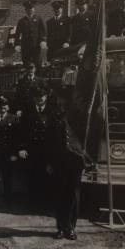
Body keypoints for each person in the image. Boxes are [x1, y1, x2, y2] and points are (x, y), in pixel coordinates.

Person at [46, 90, 87, 240]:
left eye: (62, 99)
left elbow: (87, 138)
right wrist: (49, 162)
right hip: (58, 160)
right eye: (58, 100)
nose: (60, 102)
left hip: (75, 160)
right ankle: (60, 227)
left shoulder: (79, 115)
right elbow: (48, 141)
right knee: (59, 194)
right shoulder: (53, 116)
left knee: (73, 195)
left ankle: (70, 227)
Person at [18, 83, 55, 207]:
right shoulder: (28, 110)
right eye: (38, 96)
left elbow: (55, 131)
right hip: (31, 148)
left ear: (46, 97)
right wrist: (21, 147)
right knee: (31, 175)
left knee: (46, 175)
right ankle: (32, 202)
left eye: (43, 96)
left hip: (47, 149)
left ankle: (44, 202)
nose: (40, 98)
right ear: (34, 97)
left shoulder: (52, 110)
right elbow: (22, 130)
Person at [15, 0, 47, 68]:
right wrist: (17, 44)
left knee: (38, 64)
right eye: (28, 9)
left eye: (31, 8)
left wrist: (43, 40)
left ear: (34, 9)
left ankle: (38, 78)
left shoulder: (39, 19)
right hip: (25, 48)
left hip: (36, 47)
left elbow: (43, 31)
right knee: (26, 65)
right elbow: (17, 34)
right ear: (25, 10)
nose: (30, 10)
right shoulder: (21, 21)